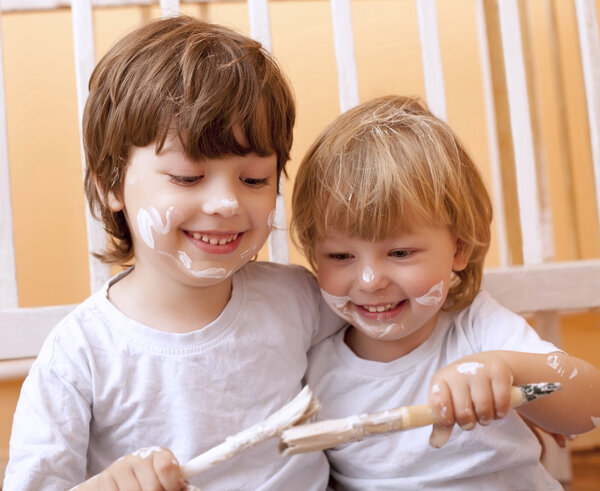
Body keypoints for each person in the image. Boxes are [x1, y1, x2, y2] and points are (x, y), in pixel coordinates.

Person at [4, 16, 342, 491]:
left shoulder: (299, 299)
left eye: (254, 180)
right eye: (187, 177)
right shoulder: (79, 356)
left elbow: (396, 348)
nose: (227, 204)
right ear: (110, 184)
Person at [290, 95, 600, 490]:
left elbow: (589, 408)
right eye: (340, 255)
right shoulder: (314, 367)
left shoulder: (477, 329)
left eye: (399, 252)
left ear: (458, 248)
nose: (369, 280)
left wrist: (505, 369)